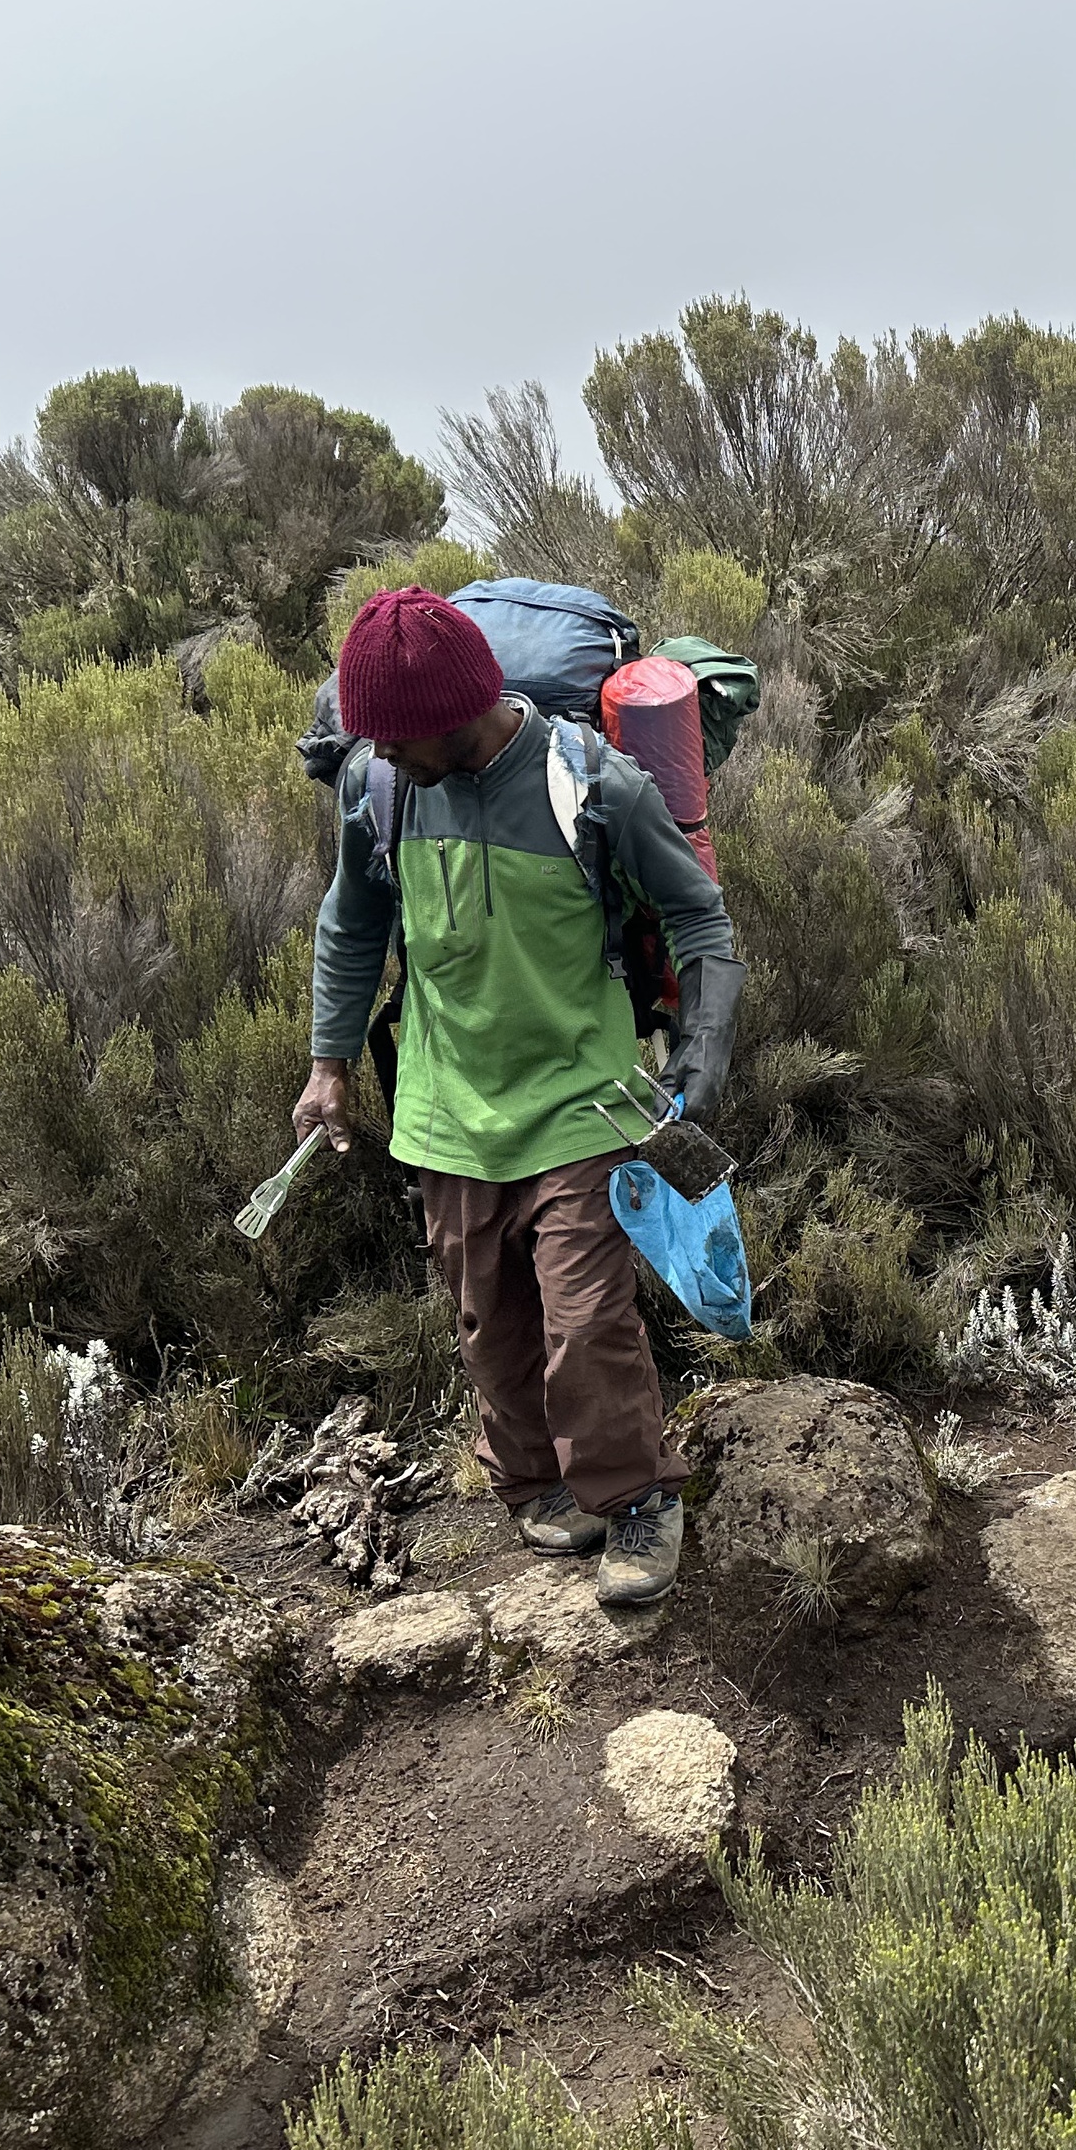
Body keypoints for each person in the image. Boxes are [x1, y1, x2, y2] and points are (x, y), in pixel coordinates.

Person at [293, 587, 743, 1609]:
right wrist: (329, 1065)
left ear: (457, 716)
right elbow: (352, 923)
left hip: (584, 1098)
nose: (380, 754)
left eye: (399, 740)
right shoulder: (378, 783)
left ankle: (636, 1499)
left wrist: (695, 1074)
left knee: (586, 1318)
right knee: (488, 1322)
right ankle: (542, 1485)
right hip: (447, 1110)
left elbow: (701, 925)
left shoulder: (592, 786)